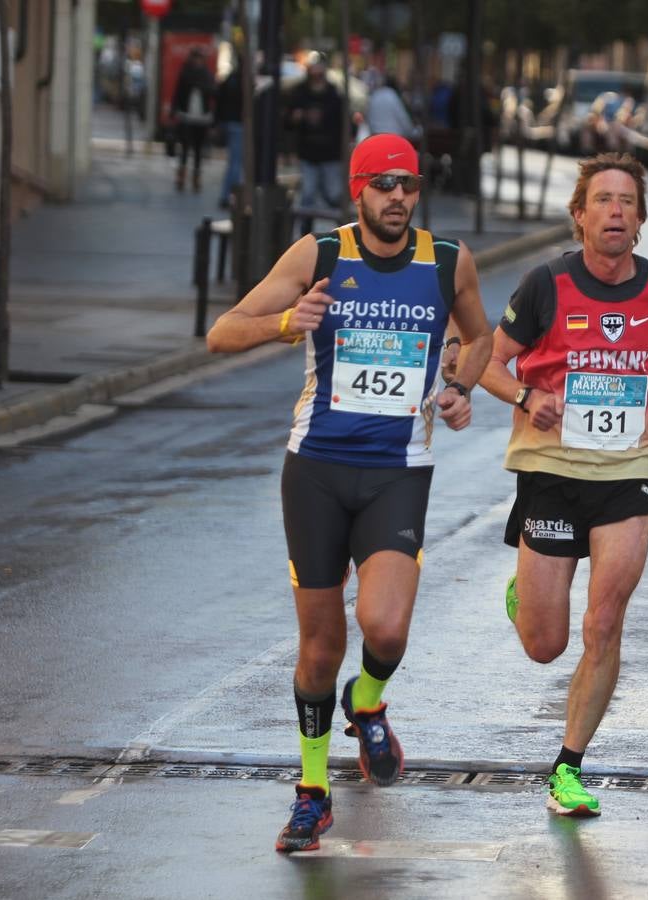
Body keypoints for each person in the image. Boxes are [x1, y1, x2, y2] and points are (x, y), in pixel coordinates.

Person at [205, 134, 493, 852]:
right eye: (384, 184)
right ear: (358, 190)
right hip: (317, 470)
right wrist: (282, 323)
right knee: (320, 646)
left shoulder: (447, 262)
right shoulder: (319, 257)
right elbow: (220, 332)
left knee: (386, 628)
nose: (398, 197)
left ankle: (367, 705)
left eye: (410, 185)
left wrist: (457, 387)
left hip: (399, 469)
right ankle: (312, 791)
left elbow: (480, 337)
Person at [479, 152, 648, 817]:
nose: (616, 211)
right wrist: (526, 395)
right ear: (579, 215)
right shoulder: (545, 285)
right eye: (603, 200)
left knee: (605, 621)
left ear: (640, 219)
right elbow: (488, 364)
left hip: (627, 475)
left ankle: (568, 767)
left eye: (627, 202)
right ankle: (526, 592)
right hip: (552, 472)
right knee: (544, 643)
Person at [289, 55, 347, 212]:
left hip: (330, 151)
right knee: (308, 195)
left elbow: (341, 121)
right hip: (308, 150)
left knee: (333, 194)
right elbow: (289, 121)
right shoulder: (300, 92)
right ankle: (306, 231)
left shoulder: (334, 94)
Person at [171, 47, 216, 193]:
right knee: (184, 147)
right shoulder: (185, 74)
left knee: (197, 149)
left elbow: (213, 92)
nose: (198, 61)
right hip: (186, 115)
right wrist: (174, 110)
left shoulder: (207, 75)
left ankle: (196, 177)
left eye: (200, 58)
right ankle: (182, 175)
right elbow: (178, 92)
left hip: (201, 117)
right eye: (196, 58)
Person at [215, 61, 244, 209]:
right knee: (236, 163)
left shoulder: (231, 79)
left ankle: (228, 195)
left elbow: (220, 100)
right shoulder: (243, 81)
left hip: (232, 122)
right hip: (239, 123)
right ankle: (230, 196)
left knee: (234, 162)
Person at [365, 75, 419, 140]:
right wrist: (411, 131)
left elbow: (368, 117)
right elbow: (402, 117)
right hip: (393, 137)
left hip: (376, 136)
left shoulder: (374, 95)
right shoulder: (392, 95)